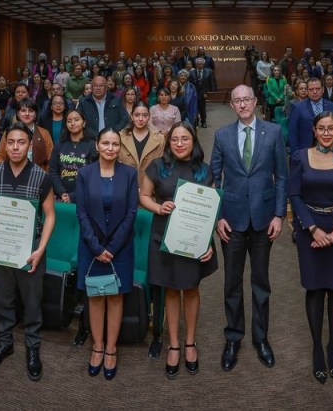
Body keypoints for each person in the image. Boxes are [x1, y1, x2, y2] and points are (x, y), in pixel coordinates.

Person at [211, 85, 287, 372]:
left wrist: (280, 214)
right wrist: (218, 216)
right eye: (237, 101)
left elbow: (281, 177)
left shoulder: (274, 132)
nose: (242, 104)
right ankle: (233, 337)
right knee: (232, 282)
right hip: (231, 220)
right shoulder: (221, 135)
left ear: (255, 102)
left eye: (247, 99)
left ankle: (261, 338)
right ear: (231, 106)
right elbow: (213, 178)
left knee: (260, 282)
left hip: (264, 219)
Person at [0, 121, 56, 382]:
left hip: (30, 252)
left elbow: (50, 215)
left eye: (21, 142)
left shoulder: (42, 177)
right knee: (2, 299)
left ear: (29, 145)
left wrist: (41, 250)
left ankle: (33, 347)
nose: (15, 147)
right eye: (11, 142)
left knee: (33, 304)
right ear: (5, 143)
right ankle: (5, 342)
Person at [138, 122, 217, 378]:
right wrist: (158, 208)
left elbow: (211, 209)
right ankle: (173, 344)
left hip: (195, 239)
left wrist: (208, 243)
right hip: (165, 237)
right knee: (171, 289)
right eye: (175, 139)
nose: (180, 143)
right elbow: (144, 196)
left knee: (191, 289)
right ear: (169, 142)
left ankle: (190, 342)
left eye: (185, 138)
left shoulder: (205, 170)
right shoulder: (157, 166)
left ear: (194, 141)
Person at [288, 112, 333, 383]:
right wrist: (314, 229)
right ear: (314, 131)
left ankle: (332, 347)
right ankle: (317, 348)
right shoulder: (299, 157)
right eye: (322, 129)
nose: (327, 133)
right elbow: (294, 195)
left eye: (331, 129)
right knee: (316, 289)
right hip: (310, 229)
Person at [76, 128, 138, 381]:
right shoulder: (84, 173)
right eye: (105, 143)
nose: (110, 148)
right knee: (95, 296)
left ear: (119, 147)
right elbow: (81, 212)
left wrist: (111, 248)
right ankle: (97, 346)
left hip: (119, 247)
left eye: (114, 144)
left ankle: (111, 349)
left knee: (114, 296)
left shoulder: (130, 174)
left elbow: (131, 212)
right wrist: (96, 247)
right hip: (91, 246)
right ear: (98, 145)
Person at [48, 108, 96, 204]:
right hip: (61, 197)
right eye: (69, 121)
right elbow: (53, 171)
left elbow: (94, 176)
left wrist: (73, 196)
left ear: (84, 123)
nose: (72, 123)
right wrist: (62, 192)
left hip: (85, 197)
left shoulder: (92, 145)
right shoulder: (60, 144)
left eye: (76, 120)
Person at [0, 98, 53, 172]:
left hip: (38, 176)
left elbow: (51, 159)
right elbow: (1, 156)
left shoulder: (44, 133)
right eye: (23, 111)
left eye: (31, 111)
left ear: (35, 114)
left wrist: (45, 176)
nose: (27, 114)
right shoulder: (9, 132)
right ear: (18, 113)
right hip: (11, 175)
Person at [288, 77, 333, 156]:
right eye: (311, 89)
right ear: (307, 91)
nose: (315, 92)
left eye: (317, 89)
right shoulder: (298, 107)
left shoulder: (332, 106)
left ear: (323, 89)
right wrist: (296, 155)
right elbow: (292, 134)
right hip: (305, 153)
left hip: (329, 152)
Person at [119, 104, 164, 178]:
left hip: (150, 185)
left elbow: (161, 167)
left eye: (145, 115)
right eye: (137, 115)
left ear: (149, 117)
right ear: (131, 116)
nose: (140, 119)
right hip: (125, 183)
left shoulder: (159, 139)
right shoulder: (120, 137)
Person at [190, 57, 217, 128]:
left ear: (204, 64)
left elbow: (211, 82)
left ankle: (203, 122)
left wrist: (207, 93)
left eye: (202, 64)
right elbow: (190, 84)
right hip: (194, 94)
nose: (200, 65)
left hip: (203, 93)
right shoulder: (191, 72)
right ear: (196, 64)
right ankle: (196, 122)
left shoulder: (209, 71)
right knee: (195, 108)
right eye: (198, 64)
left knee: (202, 108)